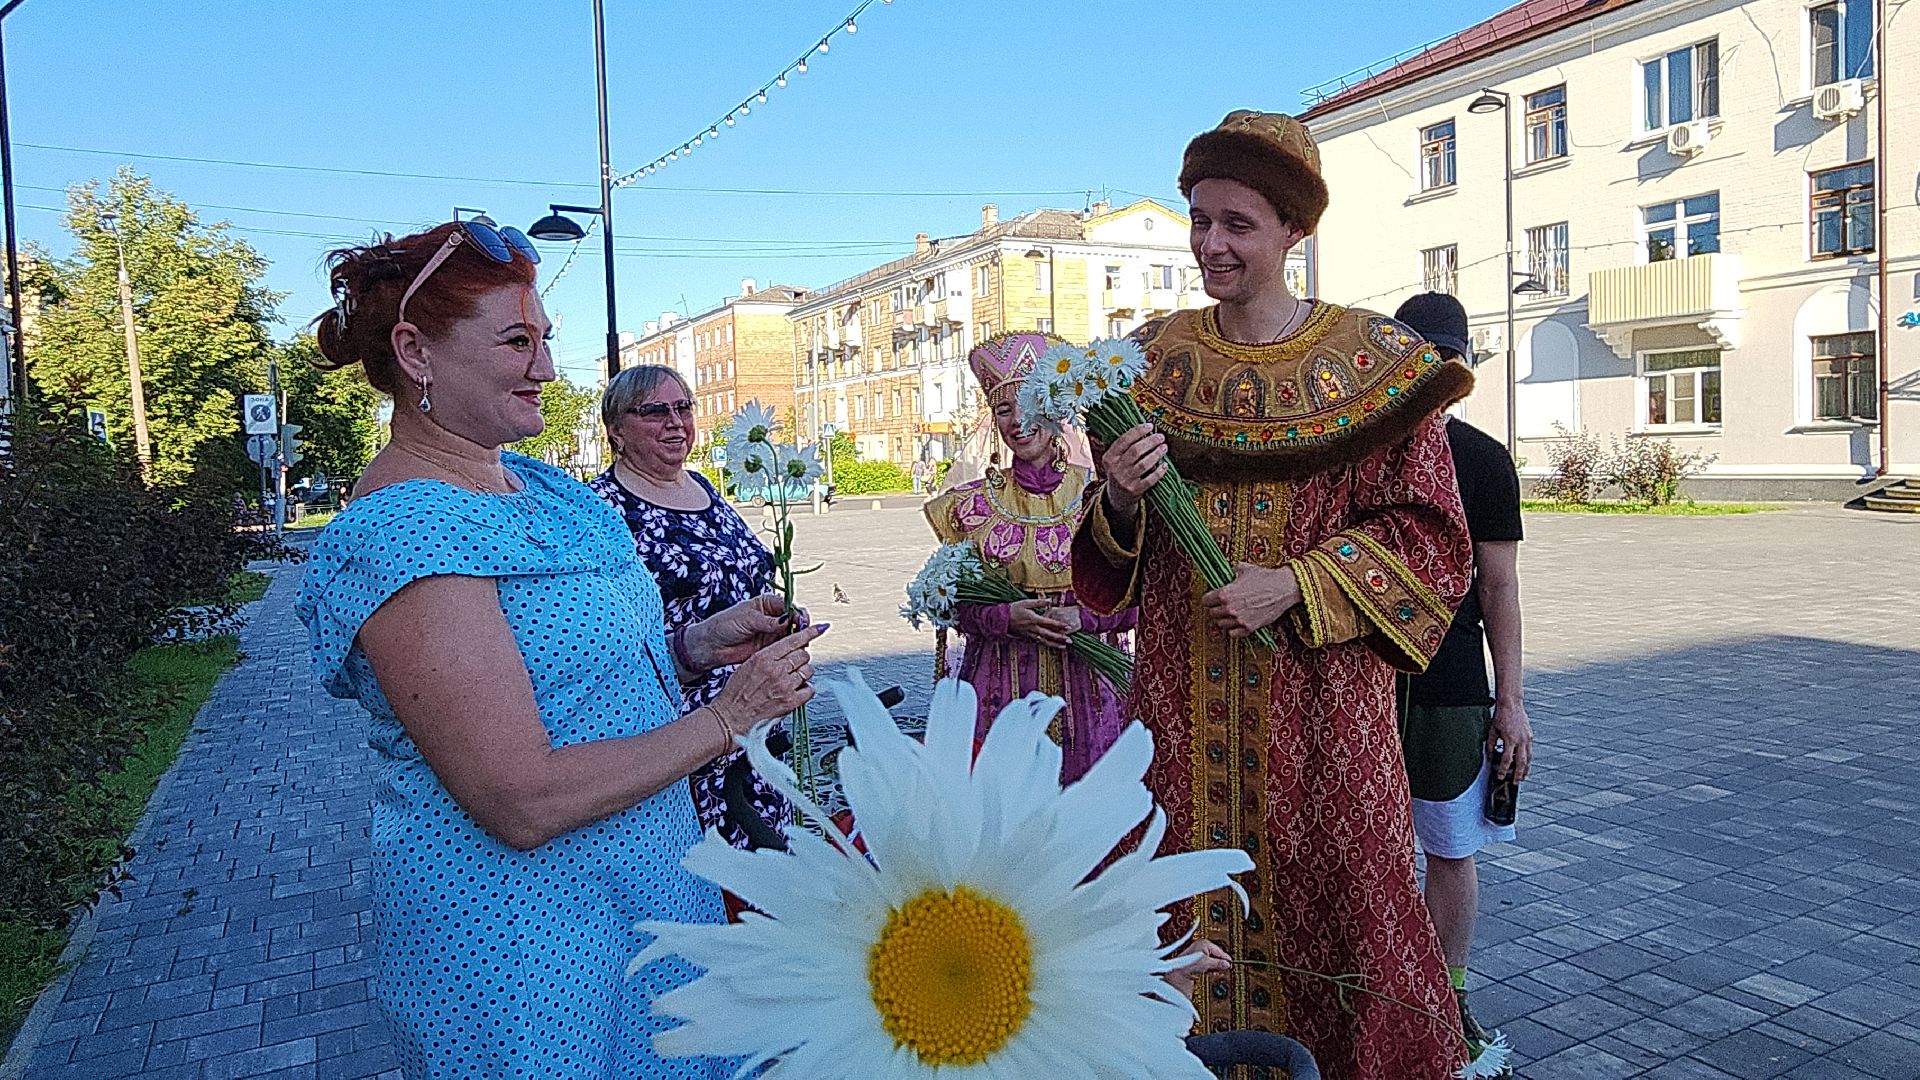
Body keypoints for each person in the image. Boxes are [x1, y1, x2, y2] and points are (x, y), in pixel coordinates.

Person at [294, 220, 821, 1080]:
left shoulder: (532, 484)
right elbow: (519, 797)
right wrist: (735, 714)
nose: (546, 368)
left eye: (546, 339)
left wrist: (694, 648)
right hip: (528, 944)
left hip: (646, 899)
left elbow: (570, 673)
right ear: (415, 351)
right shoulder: (403, 531)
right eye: (516, 341)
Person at [1074, 111, 1476, 1080]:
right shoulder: (1148, 365)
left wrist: (1293, 585)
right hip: (1181, 719)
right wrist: (1122, 494)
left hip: (1327, 731)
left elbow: (1433, 541)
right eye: (1200, 219)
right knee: (1176, 916)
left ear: (1293, 233)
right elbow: (1101, 569)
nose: (1212, 242)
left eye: (1238, 224)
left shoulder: (1376, 366)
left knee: (1345, 923)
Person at [1393, 292, 1533, 1074]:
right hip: (1363, 683)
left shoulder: (1481, 458)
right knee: (1366, 848)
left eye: (1446, 362)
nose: (1433, 377)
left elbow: (1500, 586)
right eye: (1419, 361)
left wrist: (1509, 702)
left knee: (1448, 848)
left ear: (1464, 366)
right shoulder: (1356, 454)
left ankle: (1448, 993)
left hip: (1450, 688)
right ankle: (1381, 986)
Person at [587, 364, 790, 853]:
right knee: (701, 866)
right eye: (655, 411)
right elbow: (605, 631)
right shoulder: (599, 508)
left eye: (683, 408)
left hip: (752, 713)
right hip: (677, 724)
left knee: (763, 867)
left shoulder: (702, 488)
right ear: (616, 430)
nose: (675, 422)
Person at [924, 332, 1137, 783]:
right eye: (1004, 409)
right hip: (1000, 689)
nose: (1018, 420)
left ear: (1056, 409)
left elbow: (1143, 594)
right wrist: (1004, 617)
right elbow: (951, 598)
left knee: (1089, 811)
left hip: (1088, 685)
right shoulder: (970, 506)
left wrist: (1086, 620)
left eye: (1028, 403)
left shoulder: (1103, 494)